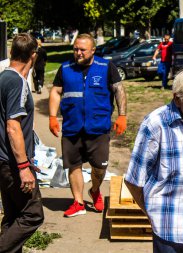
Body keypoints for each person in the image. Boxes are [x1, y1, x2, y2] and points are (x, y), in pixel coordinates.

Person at [125, 66, 183, 253]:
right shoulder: (155, 124)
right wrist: (153, 214)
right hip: (167, 229)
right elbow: (134, 181)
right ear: (178, 99)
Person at [49, 33, 127, 217]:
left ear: (93, 50)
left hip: (98, 127)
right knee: (73, 165)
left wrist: (122, 115)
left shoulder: (106, 67)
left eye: (82, 49)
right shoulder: (65, 68)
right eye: (75, 49)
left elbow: (119, 90)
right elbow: (55, 91)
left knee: (100, 167)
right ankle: (78, 202)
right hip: (72, 127)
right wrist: (52, 116)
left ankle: (95, 190)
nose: (78, 53)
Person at [0, 33, 44, 252]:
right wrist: (24, 166)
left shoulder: (2, 79)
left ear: (11, 53)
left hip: (4, 162)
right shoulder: (17, 82)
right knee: (32, 215)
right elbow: (12, 126)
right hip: (12, 164)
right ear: (33, 56)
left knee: (12, 217)